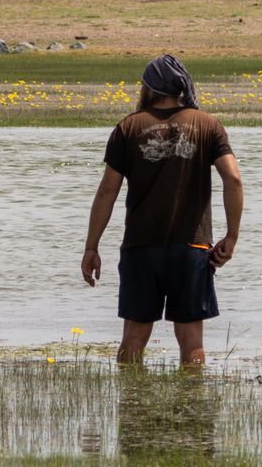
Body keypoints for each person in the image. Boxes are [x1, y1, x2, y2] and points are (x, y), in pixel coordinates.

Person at [82, 55, 243, 363]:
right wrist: (231, 236)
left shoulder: (128, 127)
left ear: (149, 88)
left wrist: (91, 246)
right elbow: (233, 179)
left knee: (133, 338)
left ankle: (131, 406)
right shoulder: (208, 125)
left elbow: (106, 191)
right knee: (191, 340)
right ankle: (191, 407)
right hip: (192, 248)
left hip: (141, 248)